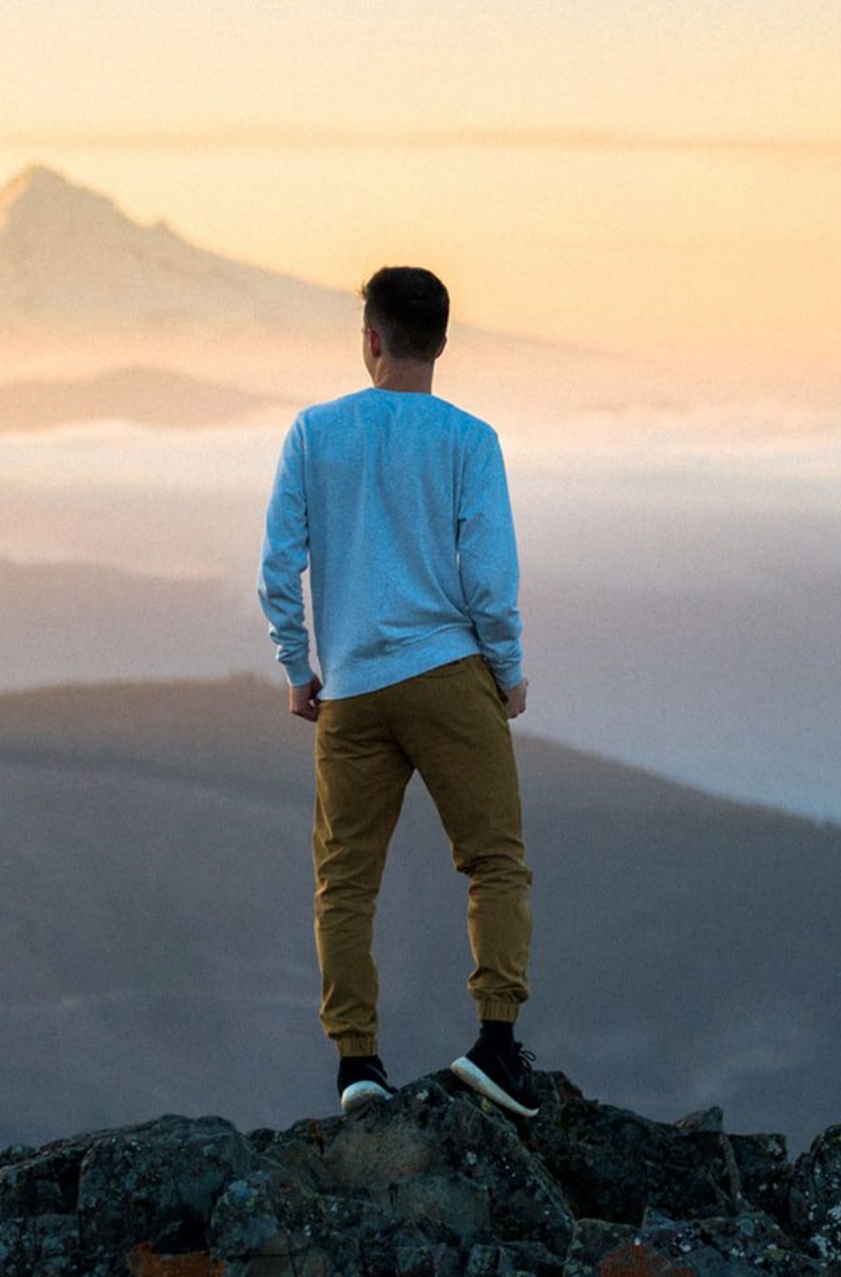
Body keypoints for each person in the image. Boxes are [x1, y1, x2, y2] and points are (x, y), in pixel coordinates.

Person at [256, 265, 540, 1118]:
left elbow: (278, 567)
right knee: (494, 859)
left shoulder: (315, 432)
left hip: (350, 689)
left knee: (345, 882)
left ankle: (357, 1063)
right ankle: (495, 1043)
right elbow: (488, 579)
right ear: (442, 342)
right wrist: (507, 672)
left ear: (371, 338)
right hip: (449, 674)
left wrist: (298, 666)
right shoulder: (469, 440)